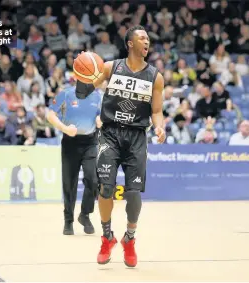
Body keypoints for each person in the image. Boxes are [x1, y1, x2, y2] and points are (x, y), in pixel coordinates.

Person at [74, 25, 166, 267]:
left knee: (134, 194)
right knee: (106, 187)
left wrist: (160, 127)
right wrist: (83, 72)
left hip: (137, 137)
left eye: (148, 38)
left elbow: (157, 111)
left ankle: (130, 239)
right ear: (130, 43)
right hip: (110, 134)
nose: (147, 41)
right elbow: (84, 91)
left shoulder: (155, 77)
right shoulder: (111, 67)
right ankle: (107, 237)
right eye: (142, 38)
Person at [47, 83, 102, 236]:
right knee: (69, 184)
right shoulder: (65, 93)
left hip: (90, 142)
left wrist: (100, 120)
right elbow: (50, 115)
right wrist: (64, 129)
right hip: (70, 143)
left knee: (93, 180)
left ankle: (84, 214)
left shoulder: (98, 96)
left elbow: (101, 115)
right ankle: (68, 221)